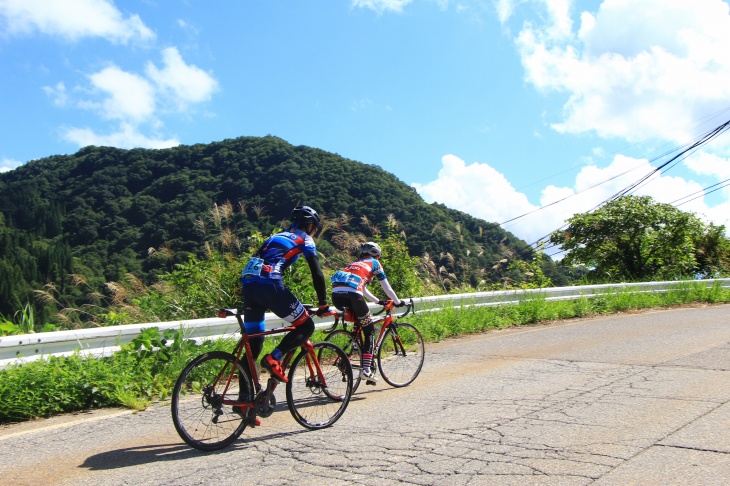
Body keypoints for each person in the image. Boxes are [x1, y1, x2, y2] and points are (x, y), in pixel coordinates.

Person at [240, 205, 329, 384]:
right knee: (306, 327)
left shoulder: (275, 236)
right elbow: (317, 273)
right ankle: (274, 358)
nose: (313, 233)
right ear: (310, 225)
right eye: (314, 229)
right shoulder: (304, 238)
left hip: (249, 286)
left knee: (254, 347)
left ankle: (245, 402)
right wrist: (323, 304)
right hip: (269, 284)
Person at [330, 241, 405, 385]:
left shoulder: (354, 264)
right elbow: (387, 288)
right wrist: (396, 301)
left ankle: (354, 348)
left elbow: (362, 288)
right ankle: (366, 370)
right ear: (376, 255)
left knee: (360, 323)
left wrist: (377, 301)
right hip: (353, 296)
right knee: (369, 330)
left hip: (336, 296)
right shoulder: (374, 263)